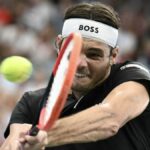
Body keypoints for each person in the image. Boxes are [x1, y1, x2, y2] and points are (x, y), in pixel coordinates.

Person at [1, 2, 150, 150]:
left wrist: (44, 135)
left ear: (113, 55)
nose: (80, 63)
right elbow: (15, 138)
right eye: (72, 50)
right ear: (59, 45)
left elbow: (109, 119)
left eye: (93, 55)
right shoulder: (32, 102)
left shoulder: (132, 76)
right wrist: (18, 143)